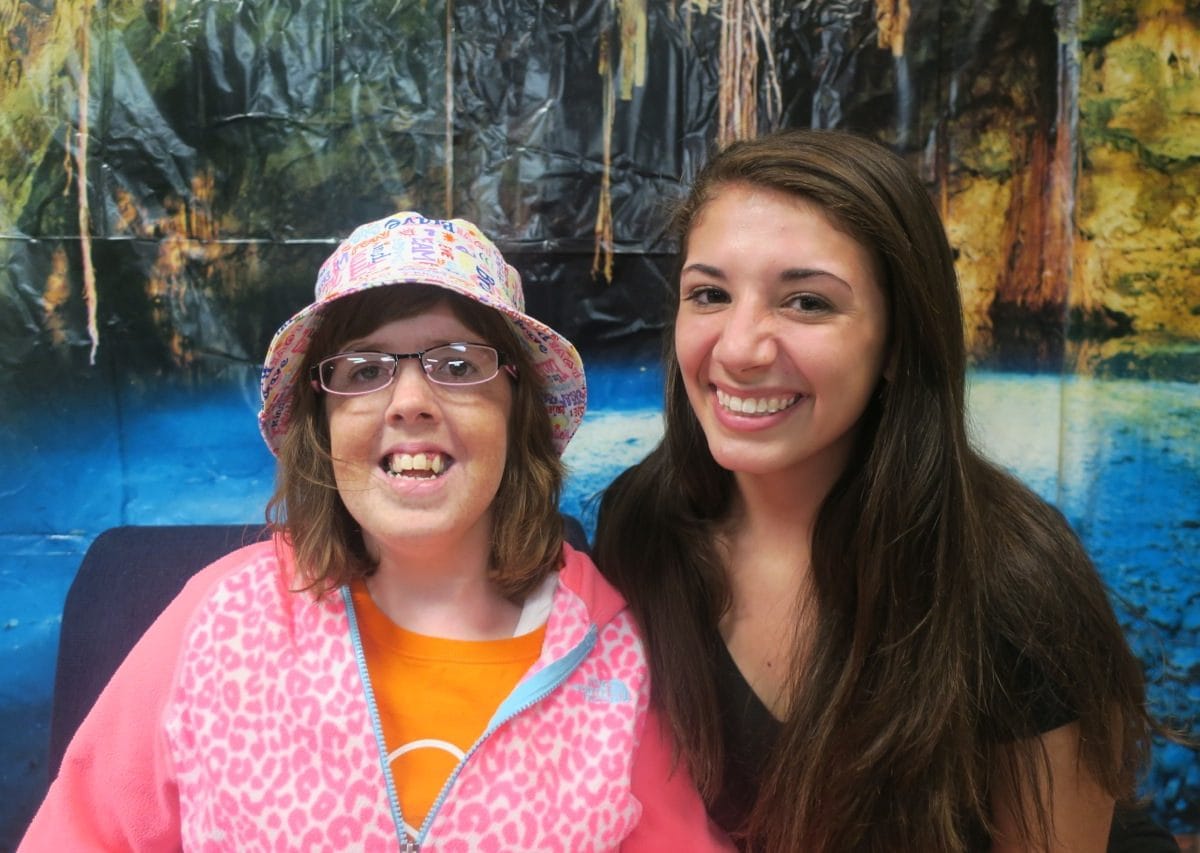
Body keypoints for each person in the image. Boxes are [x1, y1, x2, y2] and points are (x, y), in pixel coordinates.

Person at [22, 212, 732, 851]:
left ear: (517, 414)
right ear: (323, 424)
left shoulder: (609, 654)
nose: (410, 401)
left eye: (458, 365)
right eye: (364, 370)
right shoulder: (217, 621)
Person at [594, 129, 1173, 851]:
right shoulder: (639, 527)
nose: (739, 349)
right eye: (710, 294)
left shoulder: (1009, 577)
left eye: (807, 302)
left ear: (898, 341)